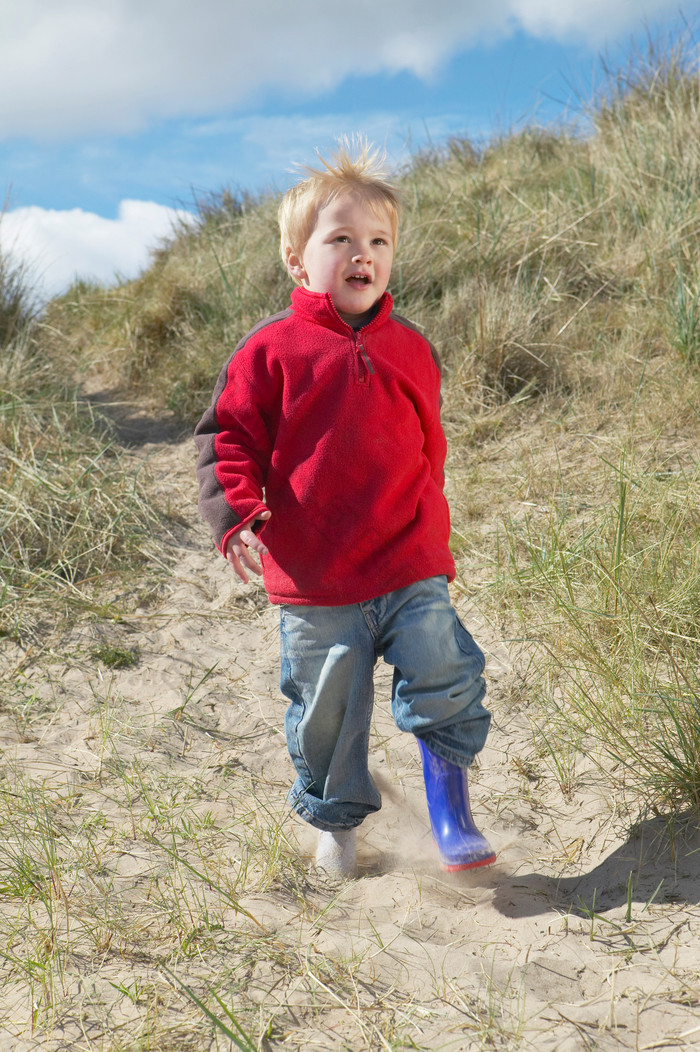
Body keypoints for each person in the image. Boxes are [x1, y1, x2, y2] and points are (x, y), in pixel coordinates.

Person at [194, 140, 495, 879]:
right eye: (342, 241)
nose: (364, 254)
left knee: (444, 672)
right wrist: (236, 511)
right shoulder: (270, 350)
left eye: (379, 242)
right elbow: (226, 436)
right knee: (328, 710)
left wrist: (427, 529)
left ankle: (451, 813)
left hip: (407, 561)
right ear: (299, 261)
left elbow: (430, 448)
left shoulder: (411, 348)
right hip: (316, 579)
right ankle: (338, 827)